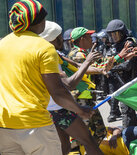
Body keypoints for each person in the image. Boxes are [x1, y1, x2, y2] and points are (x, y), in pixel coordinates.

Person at [0, 1, 93, 154]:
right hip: (35, 125)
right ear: (38, 22)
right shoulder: (43, 47)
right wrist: (79, 110)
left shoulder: (2, 44)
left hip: (5, 126)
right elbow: (58, 92)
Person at [40, 21, 137, 155]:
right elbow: (74, 78)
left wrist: (120, 57)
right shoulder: (76, 54)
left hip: (70, 103)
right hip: (74, 101)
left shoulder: (59, 55)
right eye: (88, 36)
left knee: (84, 138)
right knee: (85, 138)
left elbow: (99, 65)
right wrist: (114, 59)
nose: (63, 39)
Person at [105, 19, 137, 127]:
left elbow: (127, 65)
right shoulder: (115, 45)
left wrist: (112, 67)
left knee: (126, 110)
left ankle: (128, 133)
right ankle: (133, 132)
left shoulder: (129, 44)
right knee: (128, 111)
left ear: (122, 32)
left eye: (116, 33)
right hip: (119, 80)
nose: (114, 36)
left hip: (129, 81)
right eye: (112, 34)